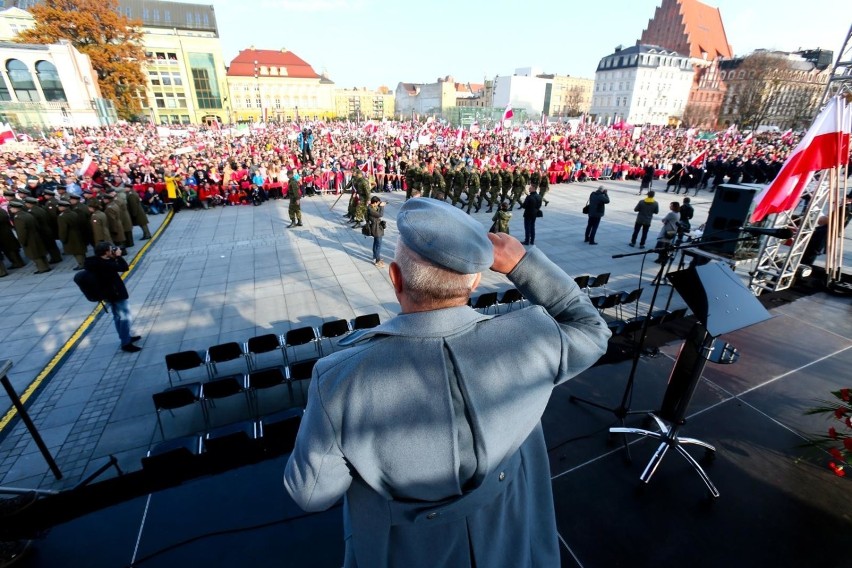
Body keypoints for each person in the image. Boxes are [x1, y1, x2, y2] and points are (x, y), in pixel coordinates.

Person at [284, 198, 610, 568]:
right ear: (474, 280)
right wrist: (523, 263)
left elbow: (311, 494)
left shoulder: (339, 379)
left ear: (395, 278)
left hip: (407, 550)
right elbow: (592, 329)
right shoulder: (533, 336)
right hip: (510, 539)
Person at [84, 242, 142, 353]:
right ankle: (126, 343)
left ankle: (125, 338)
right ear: (106, 252)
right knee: (125, 317)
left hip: (108, 294)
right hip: (115, 294)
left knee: (117, 316)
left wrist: (113, 257)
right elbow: (124, 268)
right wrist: (119, 256)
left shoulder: (95, 262)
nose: (114, 250)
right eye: (111, 249)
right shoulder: (104, 264)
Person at [366, 196, 386, 267]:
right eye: (377, 203)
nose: (378, 204)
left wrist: (380, 205)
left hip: (376, 226)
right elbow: (380, 214)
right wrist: (382, 207)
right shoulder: (370, 209)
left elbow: (376, 211)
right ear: (374, 203)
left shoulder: (371, 207)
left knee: (376, 243)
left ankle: (375, 257)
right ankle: (377, 260)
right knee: (378, 244)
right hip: (376, 228)